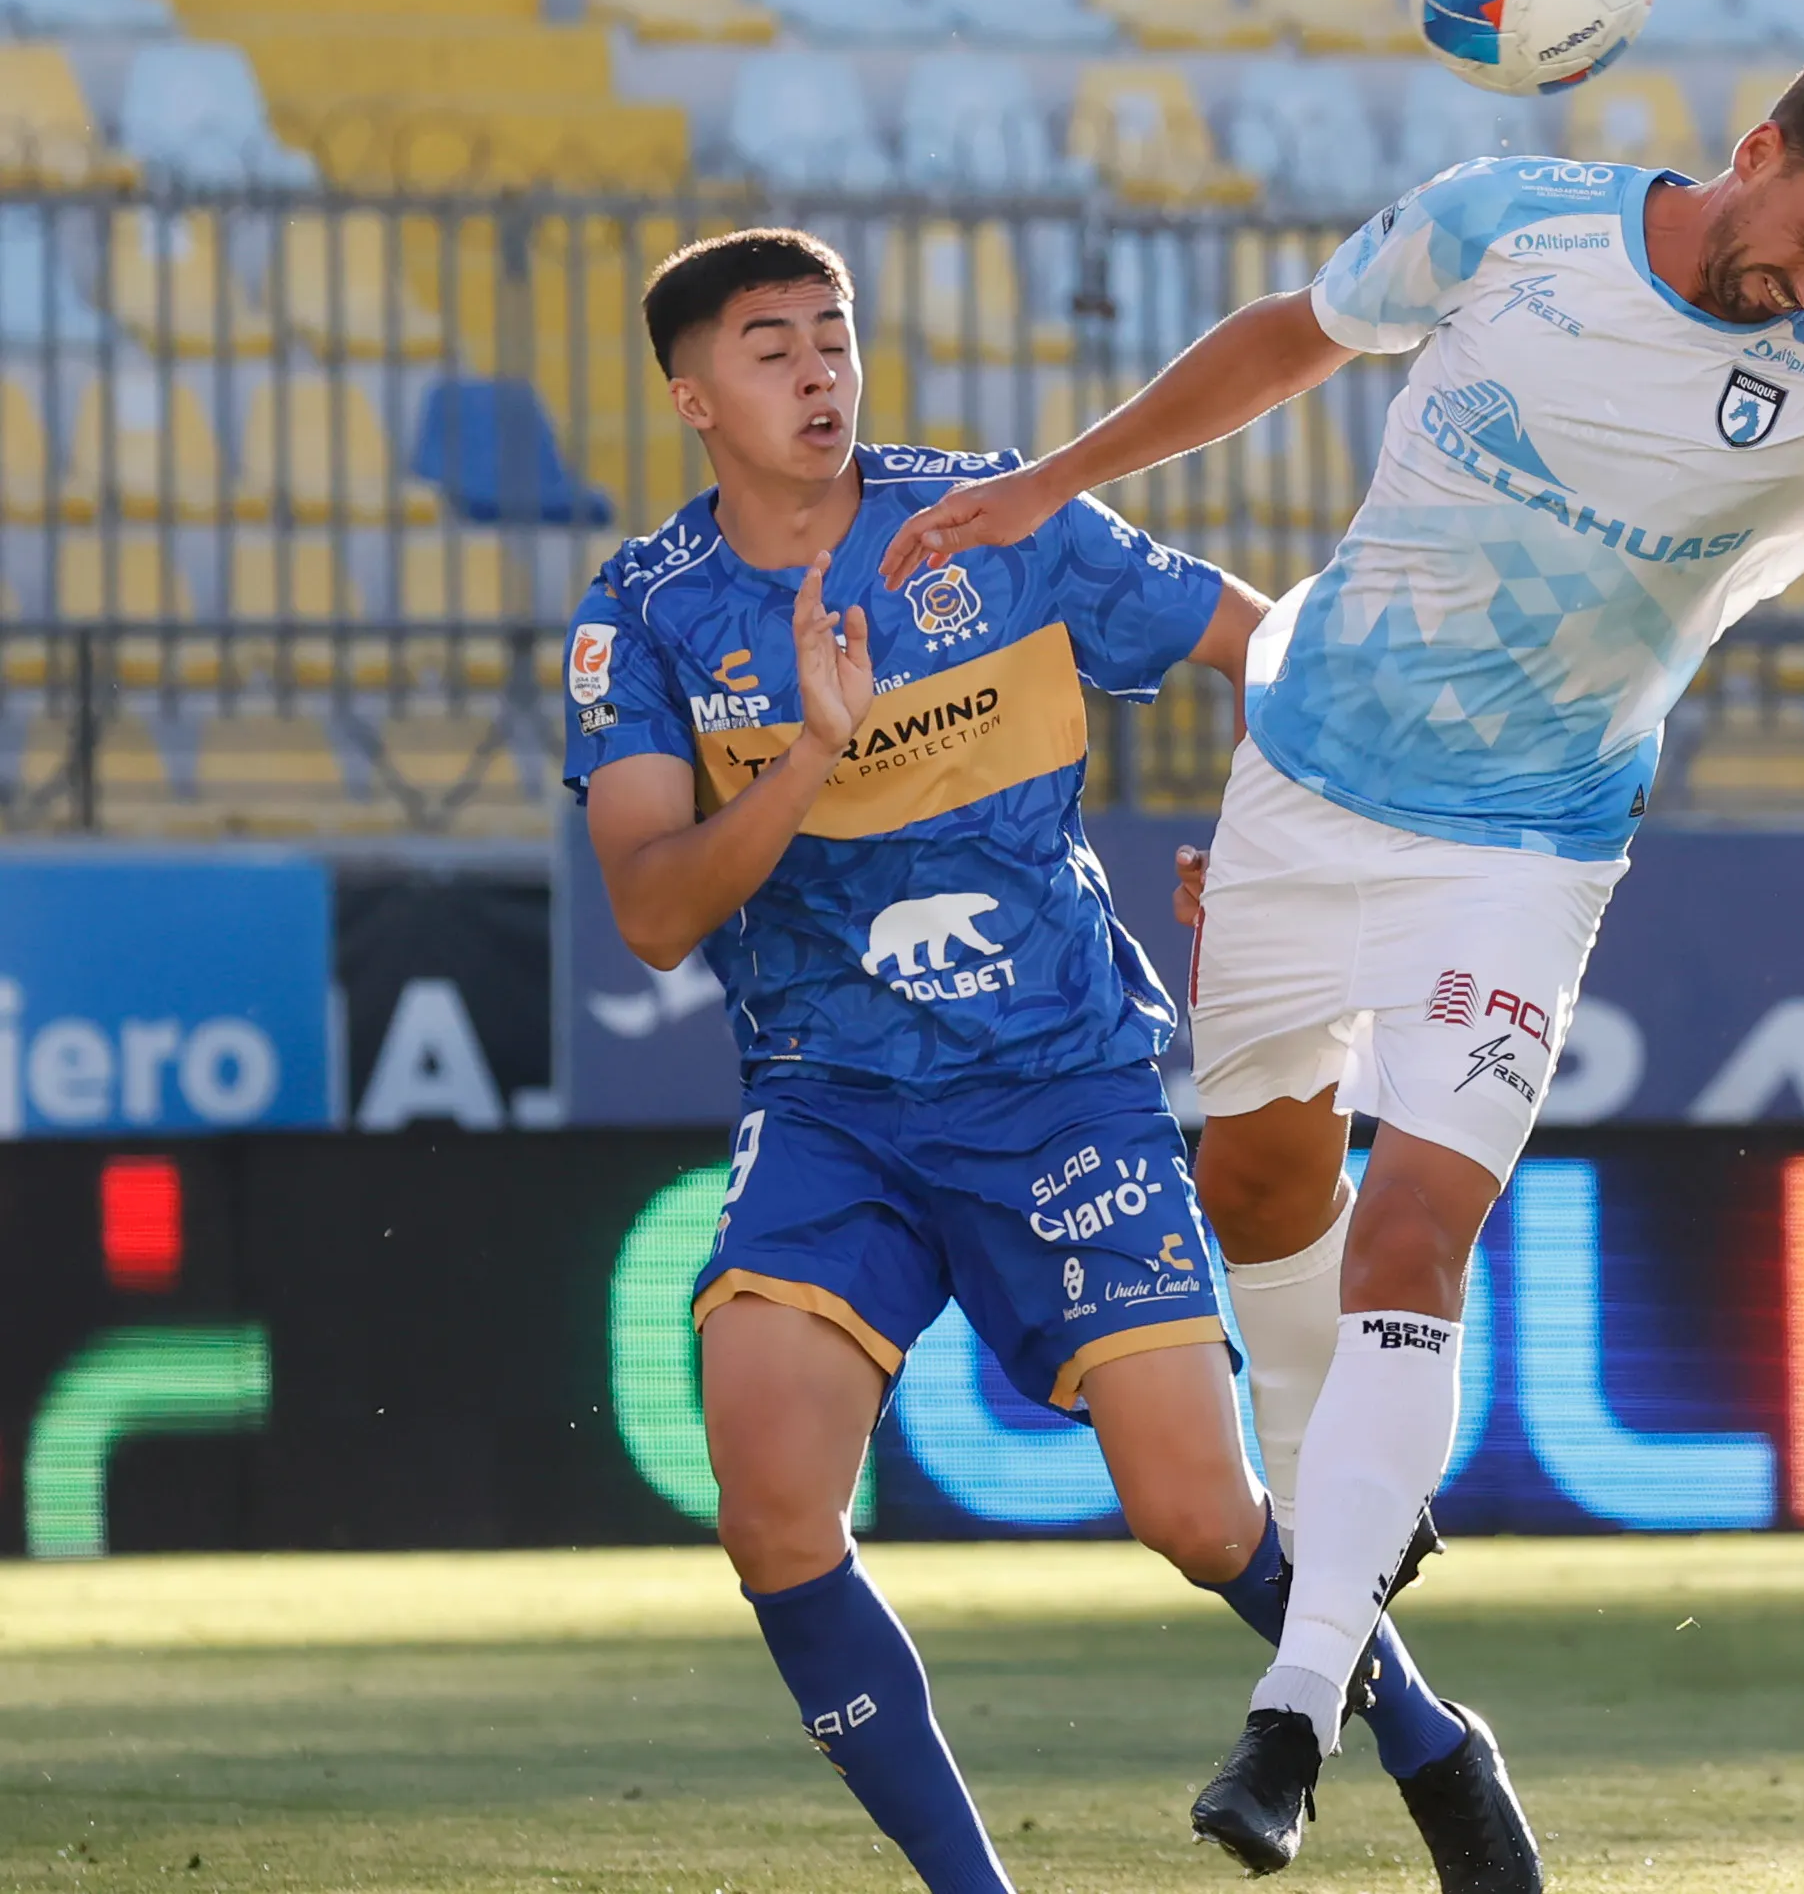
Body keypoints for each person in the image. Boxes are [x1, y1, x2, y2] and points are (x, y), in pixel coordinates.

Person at [874, 36, 1804, 1865]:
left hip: (1523, 854)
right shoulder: (1510, 224)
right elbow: (1292, 333)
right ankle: (1378, 1604)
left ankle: (1295, 1712)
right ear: (1759, 145)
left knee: (1415, 1236)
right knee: (1258, 1190)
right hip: (1304, 788)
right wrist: (1046, 481)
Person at [562, 228, 1537, 1894]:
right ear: (692, 397)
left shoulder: (994, 523)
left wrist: (1283, 840)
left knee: (1197, 1517)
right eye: (770, 348)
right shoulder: (644, 618)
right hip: (832, 1108)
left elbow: (1273, 653)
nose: (816, 372)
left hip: (1063, 1086)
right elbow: (654, 912)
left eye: (833, 335)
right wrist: (810, 752)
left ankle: (1430, 1739)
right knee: (771, 1507)